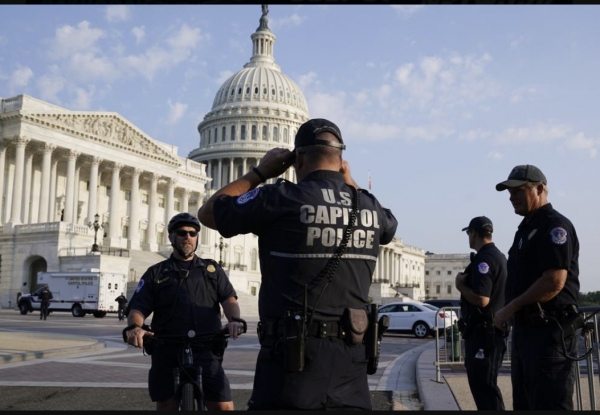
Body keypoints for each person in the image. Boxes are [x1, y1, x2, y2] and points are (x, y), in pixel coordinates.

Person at [197, 118, 398, 410]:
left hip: (291, 361)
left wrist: (261, 171)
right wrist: (349, 181)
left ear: (297, 158)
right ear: (341, 160)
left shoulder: (280, 197)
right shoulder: (367, 207)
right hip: (352, 360)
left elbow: (208, 213)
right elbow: (389, 227)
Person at [122, 212, 244, 411]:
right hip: (167, 346)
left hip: (206, 345)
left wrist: (235, 319)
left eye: (193, 233)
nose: (188, 237)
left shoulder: (211, 270)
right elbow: (138, 307)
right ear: (171, 237)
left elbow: (229, 299)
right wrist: (135, 327)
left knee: (224, 407)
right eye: (181, 233)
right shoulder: (156, 272)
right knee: (166, 404)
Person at [493, 164, 580, 410]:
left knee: (549, 404)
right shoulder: (526, 228)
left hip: (549, 333)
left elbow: (554, 281)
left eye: (518, 191)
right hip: (527, 333)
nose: (511, 197)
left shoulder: (554, 226)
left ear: (540, 189)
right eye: (509, 192)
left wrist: (509, 308)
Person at [454, 216, 507, 410]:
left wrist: (460, 286)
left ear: (473, 233)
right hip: (491, 332)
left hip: (484, 334)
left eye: (469, 233)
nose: (469, 237)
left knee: (484, 387)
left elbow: (482, 299)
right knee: (486, 385)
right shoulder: (499, 256)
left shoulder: (484, 260)